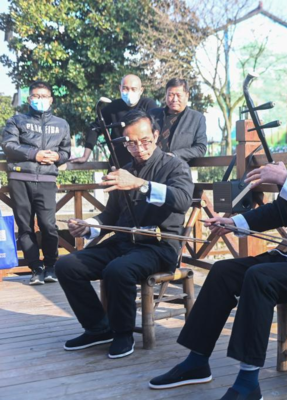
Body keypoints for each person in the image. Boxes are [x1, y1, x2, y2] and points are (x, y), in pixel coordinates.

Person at [149, 86, 287, 399]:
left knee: (259, 277)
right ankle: (197, 361)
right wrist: (236, 222)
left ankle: (247, 383)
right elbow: (284, 209)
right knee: (224, 271)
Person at [55, 110, 193, 359]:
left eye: (144, 141)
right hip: (123, 242)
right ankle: (98, 327)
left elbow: (183, 200)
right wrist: (88, 225)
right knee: (67, 265)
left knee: (118, 270)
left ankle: (123, 333)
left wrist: (141, 184)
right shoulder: (125, 170)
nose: (138, 148)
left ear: (156, 135)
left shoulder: (175, 166)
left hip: (160, 246)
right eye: (130, 143)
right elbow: (110, 216)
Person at [1, 81, 71, 285]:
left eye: (43, 96)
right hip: (20, 178)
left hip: (48, 179)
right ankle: (35, 269)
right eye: (35, 96)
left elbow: (66, 151)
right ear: (29, 98)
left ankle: (51, 266)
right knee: (25, 227)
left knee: (49, 225)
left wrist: (57, 157)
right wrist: (35, 154)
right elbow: (8, 145)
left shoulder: (61, 124)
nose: (39, 100)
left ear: (51, 99)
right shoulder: (16, 121)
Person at [71, 74, 158, 166]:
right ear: (120, 88)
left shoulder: (149, 105)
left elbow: (157, 129)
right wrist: (85, 156)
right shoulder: (113, 106)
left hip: (144, 159)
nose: (129, 92)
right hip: (119, 160)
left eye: (133, 89)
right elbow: (95, 128)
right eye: (125, 88)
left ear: (141, 90)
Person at [148, 78, 207, 163]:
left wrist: (175, 155)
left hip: (177, 168)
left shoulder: (196, 118)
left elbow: (200, 148)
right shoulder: (152, 115)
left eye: (178, 95)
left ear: (187, 95)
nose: (174, 99)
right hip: (151, 165)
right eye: (171, 95)